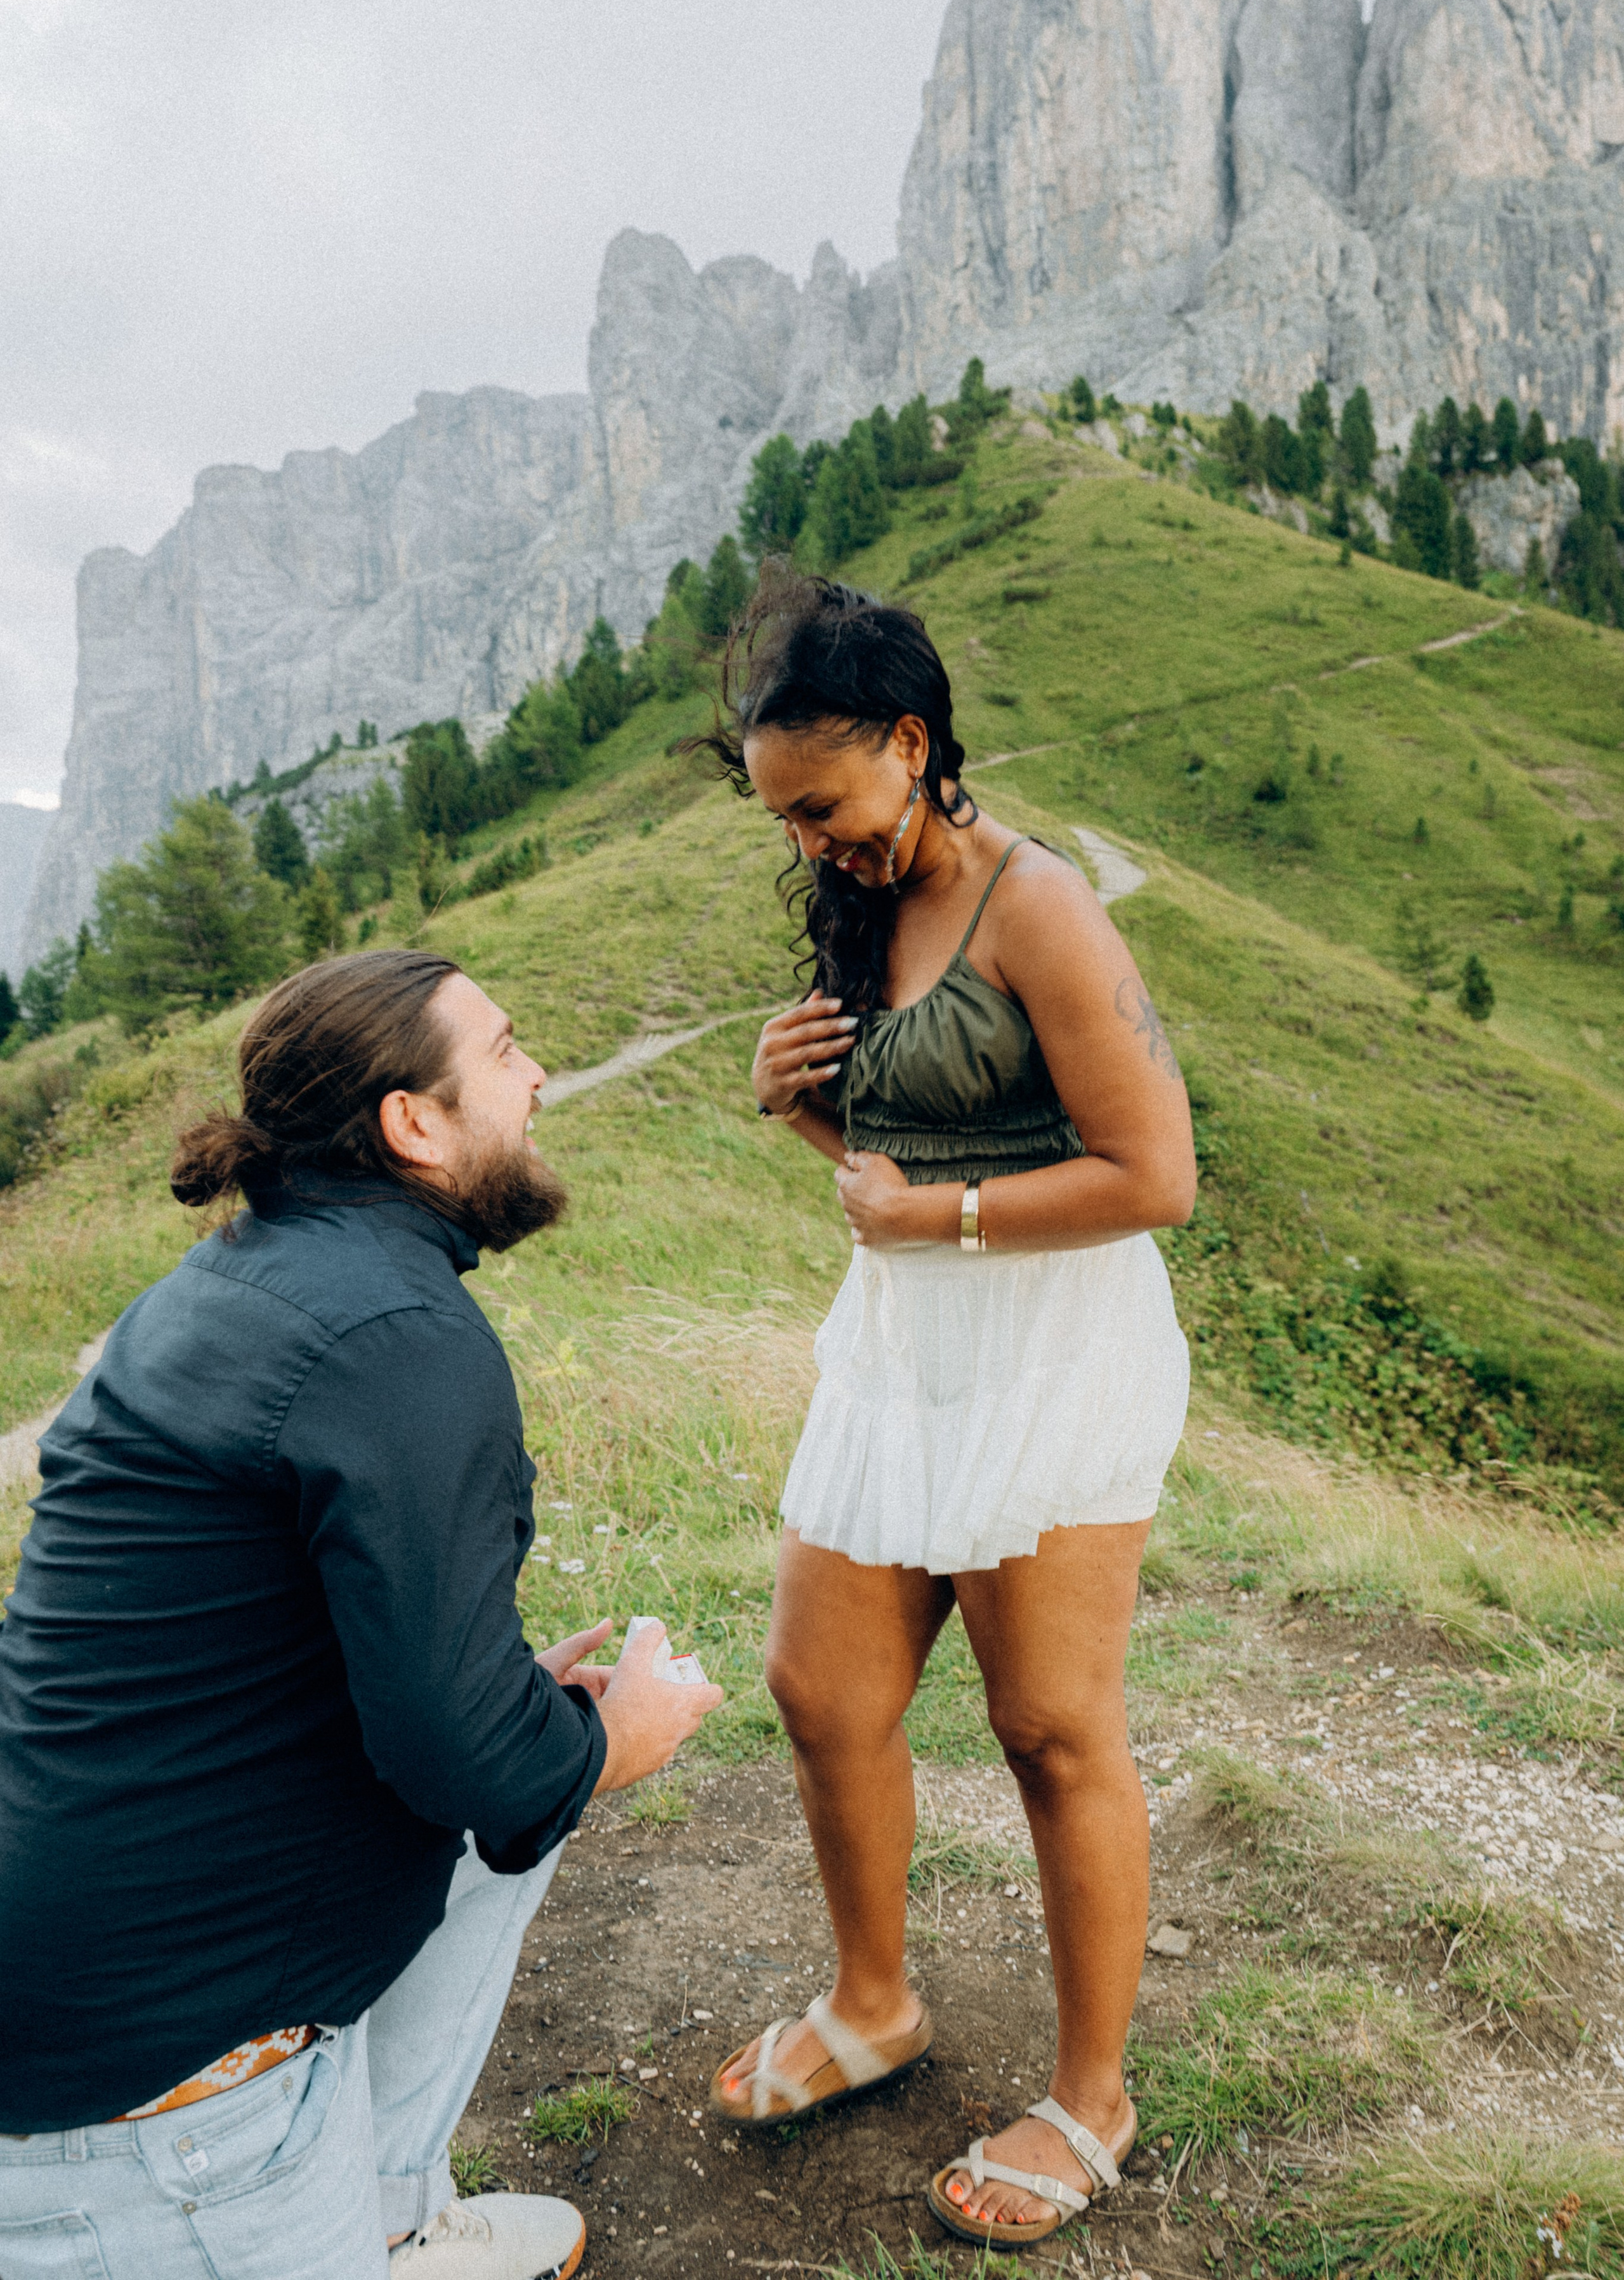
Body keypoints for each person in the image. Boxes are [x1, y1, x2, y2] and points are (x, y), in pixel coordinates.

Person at [0, 947, 722, 2280]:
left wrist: (519, 1712)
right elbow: (470, 1764)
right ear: (415, 1122)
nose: (540, 1077)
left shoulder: (220, 1287)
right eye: (505, 1052)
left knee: (510, 1809)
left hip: (71, 1937)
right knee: (533, 1782)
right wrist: (619, 1734)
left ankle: (386, 2215)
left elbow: (386, 1682)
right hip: (154, 2108)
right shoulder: (396, 1336)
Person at [695, 566, 1195, 2252]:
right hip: (905, 1339)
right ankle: (875, 2001)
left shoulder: (1036, 905)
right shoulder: (860, 897)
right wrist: (803, 1126)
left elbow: (1158, 1176)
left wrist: (946, 1220)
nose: (811, 846)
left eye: (825, 807)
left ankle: (1094, 2096)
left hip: (1057, 1342)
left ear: (912, 745)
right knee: (820, 1687)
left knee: (1052, 1730)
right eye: (786, 820)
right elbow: (903, 1174)